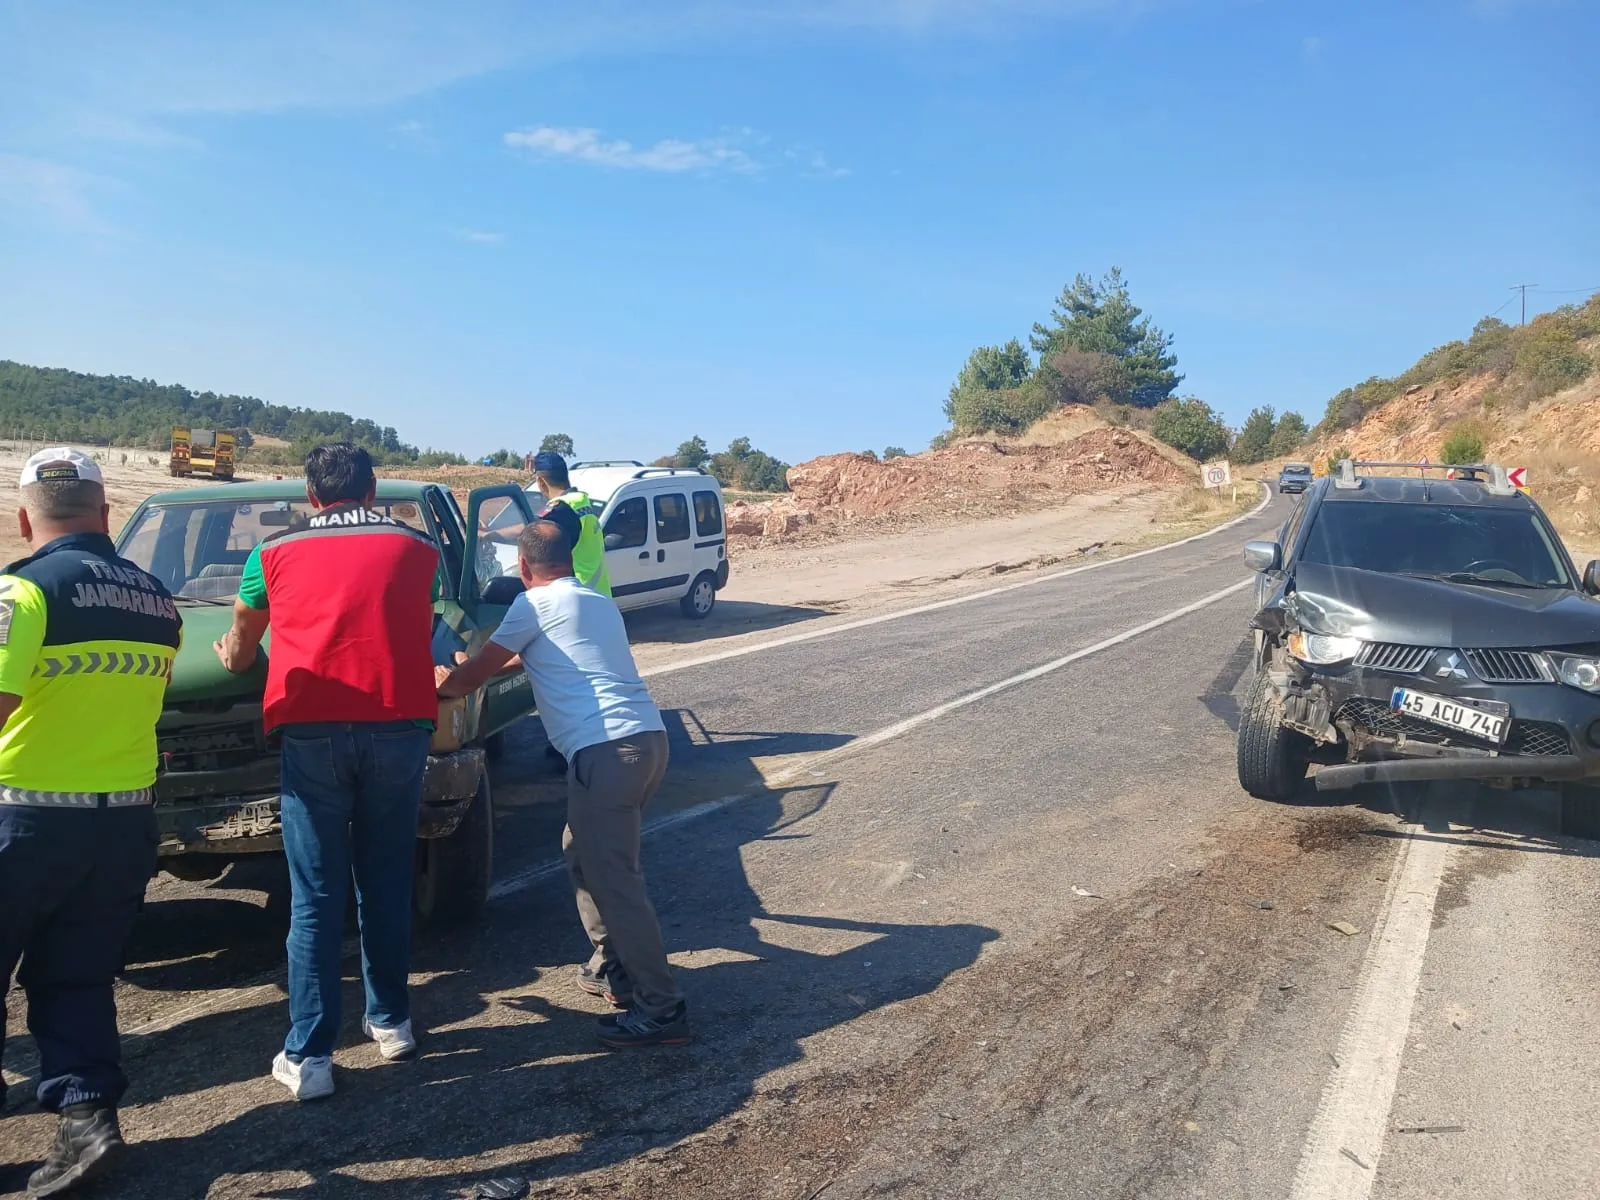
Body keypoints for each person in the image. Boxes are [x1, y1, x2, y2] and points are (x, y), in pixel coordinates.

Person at [214, 443, 439, 1100]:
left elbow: (241, 645)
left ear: (310, 496)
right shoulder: (415, 547)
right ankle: (392, 1022)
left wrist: (231, 654)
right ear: (371, 493)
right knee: (386, 880)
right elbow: (416, 623)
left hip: (311, 733)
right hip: (398, 728)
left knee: (314, 896)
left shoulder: (273, 553)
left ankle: (309, 1058)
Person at [0, 448, 181, 1198]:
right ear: (107, 514)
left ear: (22, 519)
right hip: (122, 825)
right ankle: (86, 1120)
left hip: (24, 821)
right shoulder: (155, 597)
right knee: (76, 977)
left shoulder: (23, 591)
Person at [436, 521, 687, 1048]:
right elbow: (553, 657)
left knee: (617, 883)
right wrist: (476, 665)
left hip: (606, 752)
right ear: (568, 559)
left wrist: (448, 678)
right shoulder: (595, 601)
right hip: (647, 741)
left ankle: (660, 1008)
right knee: (579, 849)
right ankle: (610, 968)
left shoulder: (532, 606)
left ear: (523, 568)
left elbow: (476, 674)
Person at [530, 452, 612, 597]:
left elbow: (532, 531)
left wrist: (490, 533)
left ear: (540, 482)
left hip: (581, 601)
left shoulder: (561, 511)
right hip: (600, 598)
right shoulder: (581, 502)